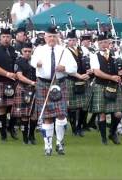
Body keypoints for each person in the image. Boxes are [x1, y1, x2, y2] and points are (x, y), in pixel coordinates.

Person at [31, 26, 77, 156]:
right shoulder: (39, 50)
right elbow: (33, 61)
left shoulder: (64, 51)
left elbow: (74, 67)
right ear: (45, 37)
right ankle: (48, 146)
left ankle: (60, 143)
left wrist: (65, 68)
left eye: (54, 36)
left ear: (57, 37)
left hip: (59, 84)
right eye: (49, 36)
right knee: (47, 118)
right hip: (44, 84)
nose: (52, 38)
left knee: (61, 115)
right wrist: (37, 64)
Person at [89, 32, 122, 145]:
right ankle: (103, 138)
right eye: (100, 42)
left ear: (109, 42)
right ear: (97, 44)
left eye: (105, 42)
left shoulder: (115, 54)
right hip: (100, 86)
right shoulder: (94, 55)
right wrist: (112, 77)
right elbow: (97, 72)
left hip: (114, 87)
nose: (103, 44)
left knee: (118, 114)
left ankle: (112, 132)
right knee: (102, 113)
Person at [0, 28, 18, 142]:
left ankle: (11, 128)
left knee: (14, 107)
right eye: (4, 37)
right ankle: (3, 135)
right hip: (1, 81)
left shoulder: (12, 50)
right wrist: (7, 74)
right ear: (0, 38)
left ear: (11, 38)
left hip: (13, 82)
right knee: (1, 109)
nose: (6, 39)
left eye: (8, 37)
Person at [66, 30, 92, 137]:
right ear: (67, 41)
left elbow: (88, 62)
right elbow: (66, 68)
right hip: (71, 80)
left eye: (73, 40)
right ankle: (74, 129)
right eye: (70, 40)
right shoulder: (65, 51)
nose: (72, 42)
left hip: (83, 79)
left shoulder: (82, 50)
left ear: (77, 40)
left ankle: (80, 126)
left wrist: (89, 71)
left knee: (84, 106)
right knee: (72, 106)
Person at [11, 42, 37, 144]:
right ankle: (25, 138)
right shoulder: (19, 61)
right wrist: (32, 82)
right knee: (24, 115)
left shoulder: (35, 62)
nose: (27, 53)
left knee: (34, 115)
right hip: (23, 88)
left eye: (29, 51)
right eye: (25, 51)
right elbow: (19, 76)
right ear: (22, 51)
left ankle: (32, 135)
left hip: (35, 89)